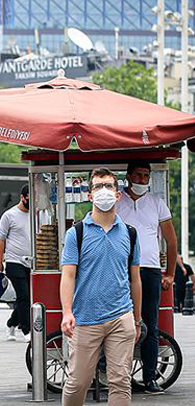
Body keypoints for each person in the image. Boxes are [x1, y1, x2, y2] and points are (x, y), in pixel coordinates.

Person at [60, 167, 142, 406]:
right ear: (89, 195)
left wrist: (136, 319)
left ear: (118, 195)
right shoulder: (77, 233)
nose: (103, 191)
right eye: (97, 186)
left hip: (121, 317)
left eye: (108, 186)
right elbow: (68, 276)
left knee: (120, 382)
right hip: (85, 320)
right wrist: (67, 312)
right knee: (78, 381)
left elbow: (135, 279)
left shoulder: (130, 233)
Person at [115, 161, 178, 394]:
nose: (143, 180)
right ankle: (116, 376)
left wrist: (170, 273)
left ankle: (150, 377)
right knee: (118, 323)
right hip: (120, 268)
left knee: (150, 324)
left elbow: (171, 241)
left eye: (146, 176)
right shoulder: (116, 201)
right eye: (139, 175)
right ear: (129, 176)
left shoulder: (157, 203)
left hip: (150, 269)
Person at [0, 184, 32, 342]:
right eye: (29, 198)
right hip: (13, 260)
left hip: (32, 262)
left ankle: (11, 323)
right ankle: (26, 330)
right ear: (22, 197)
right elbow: (0, 240)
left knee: (29, 298)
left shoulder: (37, 214)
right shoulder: (9, 215)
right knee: (23, 296)